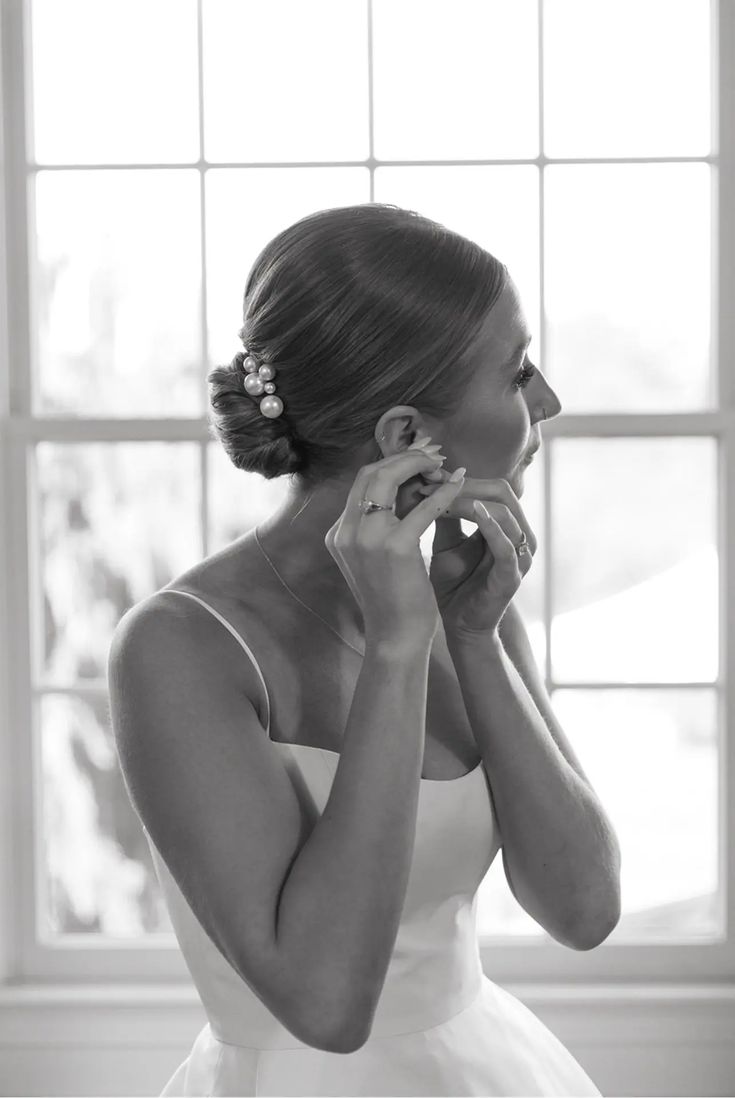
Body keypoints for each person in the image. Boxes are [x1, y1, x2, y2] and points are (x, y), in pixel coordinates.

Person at [109, 203, 616, 1096]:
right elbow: (327, 1006)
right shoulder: (180, 648)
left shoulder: (471, 610)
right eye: (517, 371)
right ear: (402, 437)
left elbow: (582, 910)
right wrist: (396, 651)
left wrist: (472, 637)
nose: (547, 403)